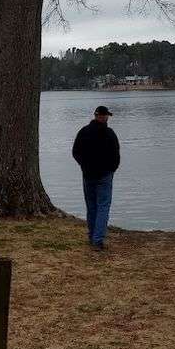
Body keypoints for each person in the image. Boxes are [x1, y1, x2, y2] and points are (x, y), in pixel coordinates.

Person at [72, 105, 120, 250]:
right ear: (103, 116)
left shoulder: (84, 132)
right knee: (103, 206)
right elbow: (116, 155)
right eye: (106, 116)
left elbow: (75, 152)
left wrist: (83, 165)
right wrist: (112, 168)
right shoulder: (109, 133)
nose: (107, 118)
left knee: (91, 206)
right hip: (105, 175)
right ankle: (97, 240)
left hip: (88, 174)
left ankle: (92, 235)